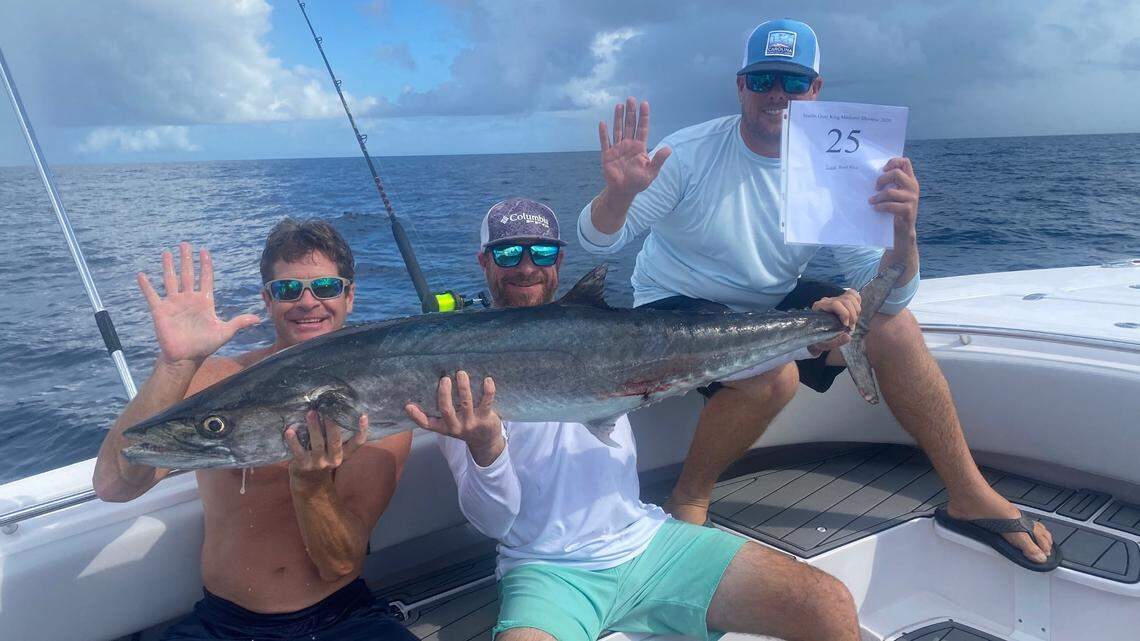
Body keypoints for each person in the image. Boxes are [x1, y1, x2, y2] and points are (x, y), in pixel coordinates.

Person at [576, 19, 1059, 572]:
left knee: (895, 329)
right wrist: (617, 196)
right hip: (676, 312)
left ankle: (969, 494)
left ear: (815, 90)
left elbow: (889, 296)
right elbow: (597, 240)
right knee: (774, 375)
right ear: (741, 85)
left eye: (793, 81)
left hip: (766, 305)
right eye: (763, 79)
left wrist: (904, 234)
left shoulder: (836, 164)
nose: (777, 93)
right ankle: (688, 498)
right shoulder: (686, 154)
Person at [403, 197, 861, 641]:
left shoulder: (614, 335)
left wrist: (811, 338)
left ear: (559, 261)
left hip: (648, 541)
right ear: (484, 261)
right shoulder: (458, 370)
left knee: (829, 603)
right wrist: (485, 448)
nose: (527, 267)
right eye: (508, 253)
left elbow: (720, 359)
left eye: (541, 252)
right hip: (548, 572)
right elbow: (494, 524)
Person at [93, 219, 416, 640]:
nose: (307, 302)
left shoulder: (381, 407)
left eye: (325, 287)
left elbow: (339, 564)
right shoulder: (216, 383)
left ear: (349, 296)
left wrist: (311, 485)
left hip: (341, 618)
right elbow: (115, 485)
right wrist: (175, 365)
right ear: (268, 300)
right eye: (287, 289)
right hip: (222, 624)